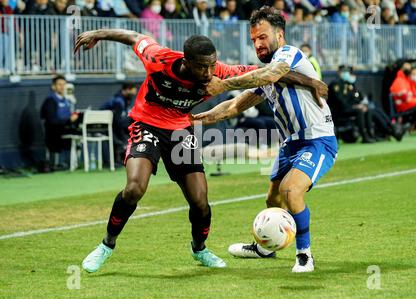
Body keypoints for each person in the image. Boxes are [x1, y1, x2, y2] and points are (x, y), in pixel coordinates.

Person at [74, 28, 326, 272]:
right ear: (186, 62)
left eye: (212, 65)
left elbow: (269, 73)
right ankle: (106, 245)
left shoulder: (219, 72)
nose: (208, 73)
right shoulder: (158, 58)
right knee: (134, 189)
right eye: (202, 67)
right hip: (147, 124)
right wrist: (97, 34)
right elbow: (134, 37)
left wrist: (311, 82)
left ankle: (199, 248)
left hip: (180, 130)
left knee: (200, 202)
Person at [193, 6, 337, 273]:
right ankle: (264, 248)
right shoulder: (269, 73)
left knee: (291, 191)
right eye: (253, 40)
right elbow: (234, 107)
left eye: (262, 37)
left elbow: (269, 74)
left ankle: (305, 255)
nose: (258, 44)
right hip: (289, 144)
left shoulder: (288, 55)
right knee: (272, 200)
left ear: (279, 35)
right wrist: (193, 119)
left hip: (317, 140)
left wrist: (223, 84)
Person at [328, 65, 376, 143]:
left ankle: (370, 134)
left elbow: (353, 98)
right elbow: (340, 101)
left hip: (347, 108)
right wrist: (354, 107)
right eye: (344, 72)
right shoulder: (335, 84)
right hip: (338, 110)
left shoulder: (347, 84)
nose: (346, 74)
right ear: (339, 73)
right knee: (359, 111)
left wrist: (359, 105)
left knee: (366, 110)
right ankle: (364, 136)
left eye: (347, 72)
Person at [40, 75, 79, 170]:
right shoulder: (50, 100)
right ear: (53, 86)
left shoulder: (67, 100)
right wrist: (69, 120)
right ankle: (57, 163)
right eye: (59, 84)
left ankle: (74, 163)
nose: (62, 87)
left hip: (66, 130)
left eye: (64, 84)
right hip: (54, 133)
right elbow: (52, 120)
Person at [101, 82, 137, 167]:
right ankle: (116, 160)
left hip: (114, 125)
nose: (133, 95)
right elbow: (117, 121)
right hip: (104, 126)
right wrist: (124, 138)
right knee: (122, 139)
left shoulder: (124, 99)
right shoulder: (118, 101)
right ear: (127, 90)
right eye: (132, 92)